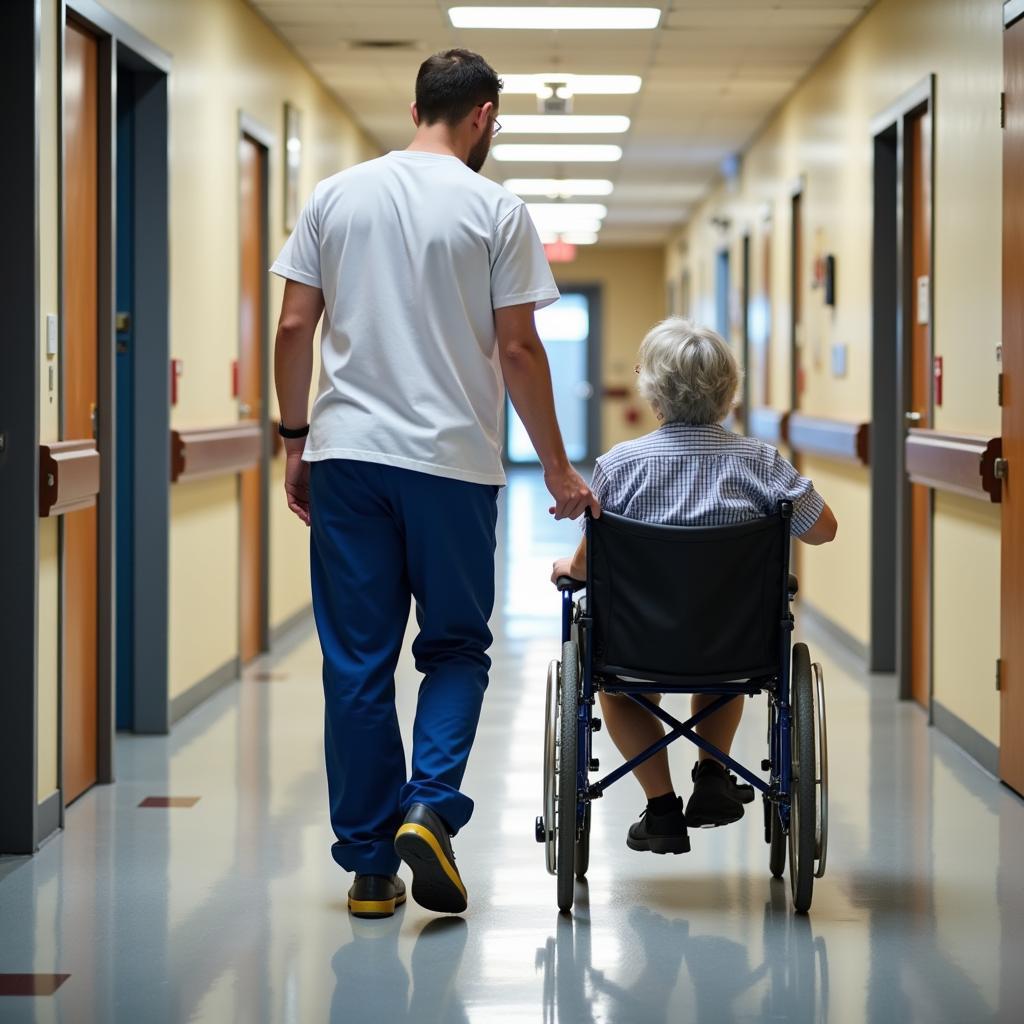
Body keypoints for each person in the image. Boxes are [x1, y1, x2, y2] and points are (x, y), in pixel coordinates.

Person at [272, 49, 599, 919]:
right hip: (452, 463)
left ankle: (371, 869)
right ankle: (429, 807)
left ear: (417, 106)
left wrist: (295, 439)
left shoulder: (335, 196)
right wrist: (560, 470)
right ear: (484, 115)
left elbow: (294, 326)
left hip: (347, 456)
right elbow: (521, 349)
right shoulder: (496, 208)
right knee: (455, 646)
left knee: (357, 660)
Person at [550, 317, 837, 855]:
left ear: (654, 391)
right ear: (728, 391)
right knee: (723, 655)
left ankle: (662, 809)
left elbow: (590, 568)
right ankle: (711, 776)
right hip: (736, 644)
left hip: (637, 646)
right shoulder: (762, 463)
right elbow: (824, 530)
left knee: (619, 687)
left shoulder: (619, 466)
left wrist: (568, 565)